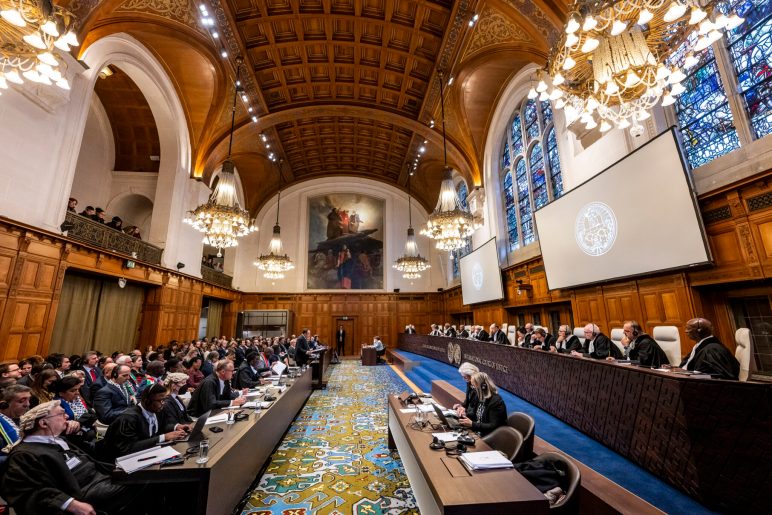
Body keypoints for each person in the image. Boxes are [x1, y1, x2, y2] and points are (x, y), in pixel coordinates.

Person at [0, 401, 137, 514]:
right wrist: (69, 503)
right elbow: (26, 492)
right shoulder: (24, 454)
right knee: (148, 482)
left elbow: (94, 453)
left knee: (148, 476)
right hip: (85, 492)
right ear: (43, 423)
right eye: (61, 414)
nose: (67, 416)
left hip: (104, 477)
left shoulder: (58, 439)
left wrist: (77, 431)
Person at [101, 383, 188, 462]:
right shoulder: (128, 418)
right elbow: (128, 448)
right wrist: (163, 437)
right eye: (160, 400)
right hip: (119, 463)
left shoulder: (158, 410)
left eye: (164, 400)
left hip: (145, 454)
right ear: (147, 401)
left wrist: (176, 427)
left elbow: (161, 427)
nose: (163, 404)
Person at [457, 372, 507, 436]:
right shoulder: (479, 396)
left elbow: (493, 426)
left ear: (483, 387)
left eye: (474, 386)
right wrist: (464, 413)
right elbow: (475, 414)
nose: (472, 388)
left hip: (492, 436)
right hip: (479, 431)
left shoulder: (496, 402)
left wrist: (472, 424)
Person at [0, 385, 30, 450]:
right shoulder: (1, 421)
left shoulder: (18, 418)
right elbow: (16, 448)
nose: (27, 404)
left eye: (28, 399)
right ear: (4, 404)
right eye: (21, 401)